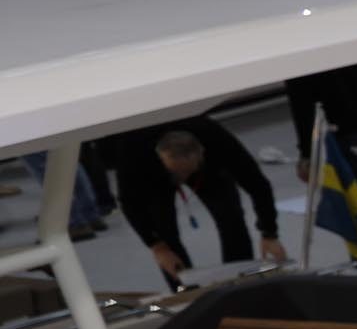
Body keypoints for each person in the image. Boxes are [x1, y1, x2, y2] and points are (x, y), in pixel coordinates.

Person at [112, 120, 286, 288]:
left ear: (201, 151)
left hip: (206, 170)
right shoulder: (133, 148)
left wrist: (269, 232)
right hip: (155, 174)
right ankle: (185, 292)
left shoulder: (214, 137)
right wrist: (156, 246)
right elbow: (129, 203)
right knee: (165, 233)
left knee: (231, 218)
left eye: (187, 171)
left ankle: (240, 284)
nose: (183, 178)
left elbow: (257, 184)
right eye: (178, 172)